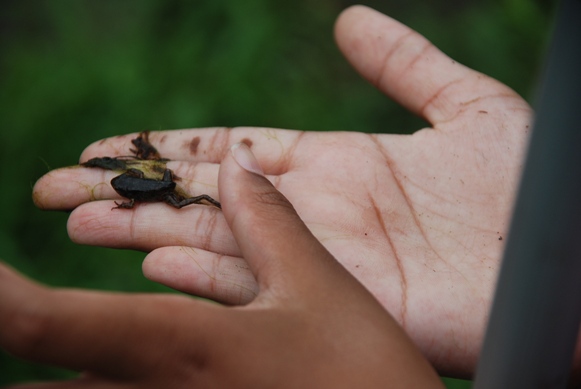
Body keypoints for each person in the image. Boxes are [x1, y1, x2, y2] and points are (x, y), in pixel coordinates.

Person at [0, 4, 543, 386]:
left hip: (153, 189)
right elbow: (146, 188)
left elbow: (151, 189)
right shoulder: (149, 187)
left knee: (184, 202)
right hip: (152, 188)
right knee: (182, 200)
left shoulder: (152, 187)